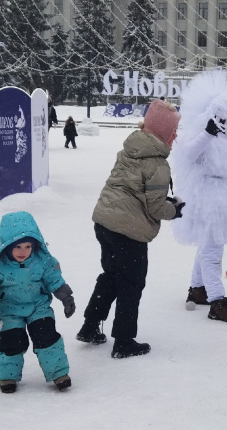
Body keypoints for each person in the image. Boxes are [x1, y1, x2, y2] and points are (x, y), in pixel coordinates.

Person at [77, 100, 185, 358]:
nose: (175, 136)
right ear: (163, 134)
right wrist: (176, 210)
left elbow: (133, 190)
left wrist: (162, 202)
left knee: (111, 277)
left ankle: (90, 326)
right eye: (173, 132)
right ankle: (124, 341)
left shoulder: (130, 149)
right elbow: (156, 208)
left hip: (104, 222)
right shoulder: (157, 164)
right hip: (128, 231)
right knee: (131, 284)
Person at [171, 69, 227, 322]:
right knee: (211, 251)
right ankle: (217, 301)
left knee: (208, 245)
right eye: (220, 116)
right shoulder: (198, 133)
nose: (224, 121)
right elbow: (189, 154)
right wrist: (208, 133)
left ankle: (197, 289)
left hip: (225, 198)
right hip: (208, 200)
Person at [0, 211, 75, 393]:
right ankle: (7, 377)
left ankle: (59, 373)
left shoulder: (43, 262)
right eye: (18, 247)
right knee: (13, 341)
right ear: (6, 246)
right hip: (9, 311)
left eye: (28, 246)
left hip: (38, 307)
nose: (23, 252)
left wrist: (66, 297)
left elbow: (54, 279)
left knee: (47, 337)